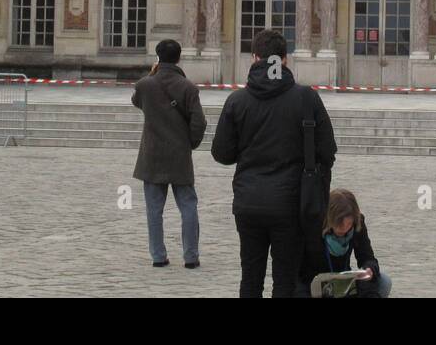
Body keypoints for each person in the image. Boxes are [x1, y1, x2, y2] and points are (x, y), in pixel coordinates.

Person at [211, 28, 337, 298]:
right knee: (285, 281)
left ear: (254, 58)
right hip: (290, 204)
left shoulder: (237, 101)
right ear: (285, 60)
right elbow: (327, 151)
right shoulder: (306, 98)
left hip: (248, 202)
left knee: (251, 278)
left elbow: (221, 153)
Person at [131, 39, 207, 268]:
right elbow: (199, 123)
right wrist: (189, 144)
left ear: (158, 58)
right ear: (179, 58)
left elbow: (137, 102)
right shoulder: (188, 88)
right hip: (179, 154)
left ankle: (158, 256)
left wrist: (152, 74)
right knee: (188, 206)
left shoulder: (145, 85)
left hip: (152, 155)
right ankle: (191, 256)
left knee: (154, 210)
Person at [306, 189, 391, 299]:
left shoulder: (357, 225)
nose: (344, 229)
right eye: (339, 224)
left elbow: (368, 258)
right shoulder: (315, 227)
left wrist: (369, 270)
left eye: (349, 224)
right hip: (318, 285)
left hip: (344, 282)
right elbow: (301, 273)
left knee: (384, 281)